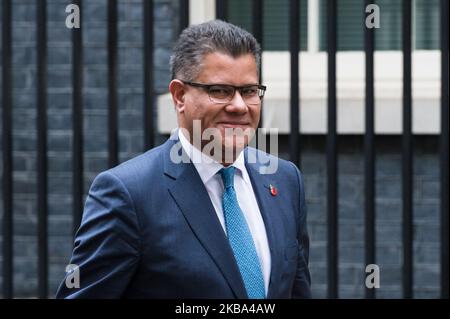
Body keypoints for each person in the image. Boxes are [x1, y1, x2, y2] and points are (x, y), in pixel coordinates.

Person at [56, 20, 311, 299]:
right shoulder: (128, 194)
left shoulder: (285, 181)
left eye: (249, 91)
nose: (239, 106)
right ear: (179, 96)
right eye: (220, 91)